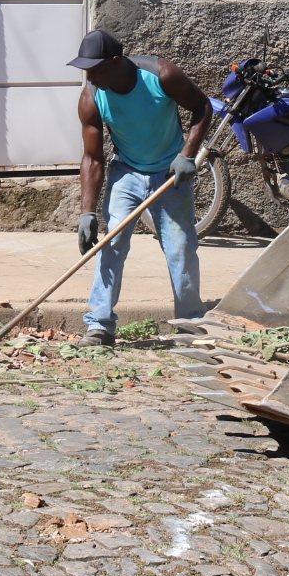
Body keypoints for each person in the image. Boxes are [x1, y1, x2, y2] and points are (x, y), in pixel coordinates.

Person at [71, 29, 213, 347]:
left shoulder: (162, 75)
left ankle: (190, 325)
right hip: (127, 173)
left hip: (170, 175)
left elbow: (203, 108)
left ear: (116, 62)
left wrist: (186, 155)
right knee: (113, 243)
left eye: (94, 69)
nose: (89, 76)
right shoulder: (91, 97)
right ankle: (100, 326)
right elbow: (92, 159)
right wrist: (87, 212)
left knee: (181, 249)